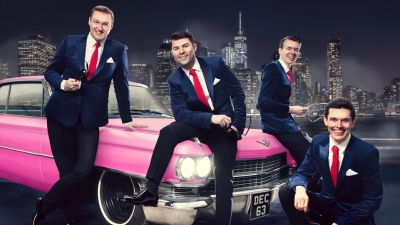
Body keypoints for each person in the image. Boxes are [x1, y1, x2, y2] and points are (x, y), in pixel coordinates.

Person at [30, 5, 148, 225]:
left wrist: (127, 119)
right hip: (59, 115)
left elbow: (122, 86)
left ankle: (45, 205)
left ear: (111, 26)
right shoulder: (70, 41)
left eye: (105, 24)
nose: (100, 27)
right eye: (96, 22)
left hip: (91, 119)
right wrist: (64, 84)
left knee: (83, 171)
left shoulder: (118, 50)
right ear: (89, 21)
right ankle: (72, 218)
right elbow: (50, 72)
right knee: (66, 172)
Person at [124, 31, 246, 225]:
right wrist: (211, 118)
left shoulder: (216, 64)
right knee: (168, 132)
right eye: (176, 48)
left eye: (185, 46)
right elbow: (180, 114)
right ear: (172, 53)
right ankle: (151, 191)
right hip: (201, 124)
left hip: (225, 129)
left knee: (224, 181)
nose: (181, 51)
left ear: (194, 47)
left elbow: (238, 93)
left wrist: (238, 124)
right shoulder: (174, 80)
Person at [279, 97, 383, 225]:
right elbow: (303, 172)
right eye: (333, 119)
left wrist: (341, 222)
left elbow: (373, 199)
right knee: (287, 191)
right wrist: (300, 189)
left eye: (345, 120)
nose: (338, 126)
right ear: (325, 121)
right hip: (327, 203)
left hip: (353, 213)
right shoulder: (318, 142)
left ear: (353, 123)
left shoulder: (367, 152)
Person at [256, 36, 310, 166]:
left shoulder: (285, 72)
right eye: (289, 48)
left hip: (286, 125)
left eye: (296, 50)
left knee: (313, 150)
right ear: (280, 50)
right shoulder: (274, 68)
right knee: (311, 159)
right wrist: (291, 109)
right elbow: (262, 102)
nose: (293, 52)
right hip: (278, 126)